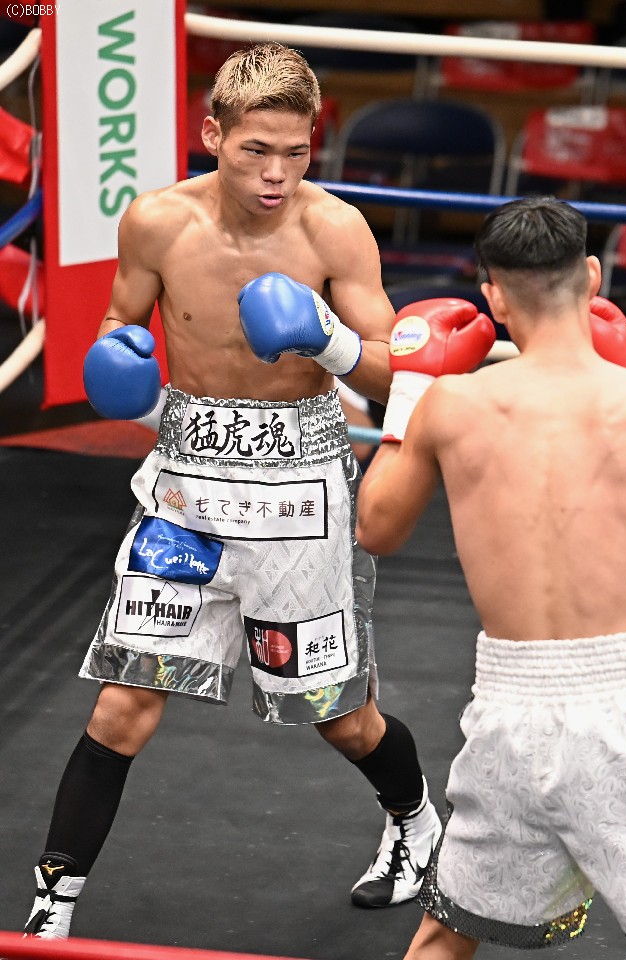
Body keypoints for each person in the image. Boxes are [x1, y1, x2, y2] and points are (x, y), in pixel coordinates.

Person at [23, 42, 441, 939]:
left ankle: (415, 821)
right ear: (213, 134)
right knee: (122, 704)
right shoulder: (155, 222)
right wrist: (120, 365)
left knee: (341, 719)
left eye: (296, 152)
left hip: (299, 495)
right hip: (184, 494)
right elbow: (120, 321)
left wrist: (324, 338)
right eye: (256, 150)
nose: (277, 174)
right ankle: (51, 907)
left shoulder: (336, 231)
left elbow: (393, 373)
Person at [356, 196, 626, 960]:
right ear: (593, 275)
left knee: (444, 935)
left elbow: (374, 529)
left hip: (507, 715)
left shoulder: (451, 404)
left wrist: (411, 391)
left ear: (492, 295)